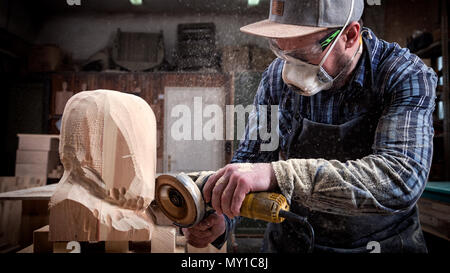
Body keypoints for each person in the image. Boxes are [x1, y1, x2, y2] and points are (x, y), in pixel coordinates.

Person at [182, 0, 437, 253]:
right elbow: (253, 157)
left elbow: (400, 179)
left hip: (381, 243)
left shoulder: (403, 75)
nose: (290, 70)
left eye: (302, 56)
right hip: (293, 240)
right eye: (281, 52)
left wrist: (278, 175)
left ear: (349, 35)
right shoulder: (275, 79)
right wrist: (222, 217)